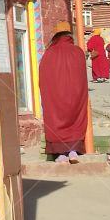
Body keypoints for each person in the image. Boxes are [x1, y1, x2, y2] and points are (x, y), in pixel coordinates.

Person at [38, 21, 88, 164]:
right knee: (75, 120)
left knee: (55, 118)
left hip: (55, 98)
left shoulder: (49, 53)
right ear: (69, 36)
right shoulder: (78, 52)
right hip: (75, 96)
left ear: (56, 36)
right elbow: (83, 78)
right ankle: (73, 152)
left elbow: (43, 79)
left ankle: (60, 155)